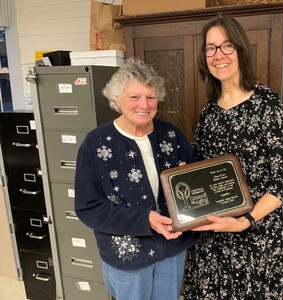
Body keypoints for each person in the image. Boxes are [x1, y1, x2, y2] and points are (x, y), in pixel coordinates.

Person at [184, 15, 283, 300]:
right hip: (212, 238)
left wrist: (246, 220)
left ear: (240, 50)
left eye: (226, 46)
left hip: (255, 236)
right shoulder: (209, 112)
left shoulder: (266, 105)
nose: (218, 55)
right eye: (210, 48)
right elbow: (201, 170)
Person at [74, 57, 197, 300]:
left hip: (172, 249)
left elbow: (194, 187)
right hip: (128, 257)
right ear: (116, 100)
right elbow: (88, 208)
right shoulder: (96, 143)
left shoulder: (171, 135)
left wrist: (190, 177)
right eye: (134, 97)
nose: (144, 104)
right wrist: (145, 219)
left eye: (150, 97)